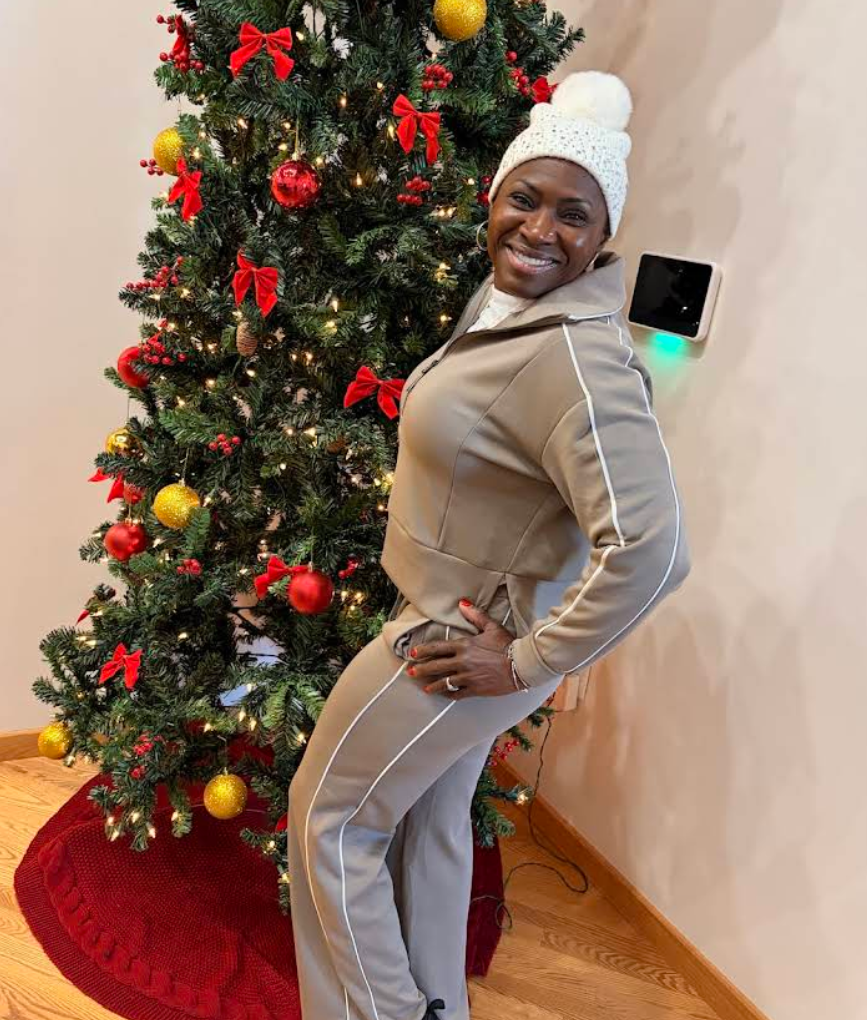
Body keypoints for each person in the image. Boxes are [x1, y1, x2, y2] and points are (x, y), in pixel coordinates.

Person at [286, 70, 691, 1020]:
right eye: (525, 198)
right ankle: (436, 1005)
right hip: (455, 611)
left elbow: (654, 548)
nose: (540, 230)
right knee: (428, 819)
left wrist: (525, 659)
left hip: (459, 636)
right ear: (493, 196)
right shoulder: (509, 304)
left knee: (327, 817)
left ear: (604, 238)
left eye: (573, 215)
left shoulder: (576, 357)